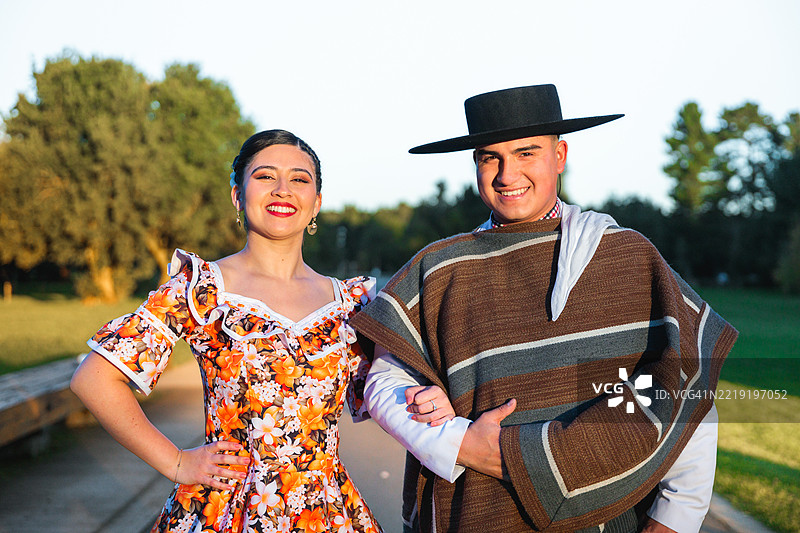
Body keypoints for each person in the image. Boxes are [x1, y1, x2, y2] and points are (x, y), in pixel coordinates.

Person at [350, 85, 736, 533]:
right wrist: (458, 443)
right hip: (477, 516)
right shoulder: (441, 269)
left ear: (560, 155)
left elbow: (685, 389)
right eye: (489, 157)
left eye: (526, 153)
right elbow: (384, 382)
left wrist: (674, 517)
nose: (506, 174)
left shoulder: (625, 257)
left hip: (613, 519)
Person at [70, 129, 452, 533]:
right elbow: (94, 379)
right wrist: (177, 462)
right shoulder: (201, 289)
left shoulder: (352, 304)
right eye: (265, 176)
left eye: (300, 179)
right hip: (225, 510)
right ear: (238, 194)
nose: (283, 190)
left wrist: (431, 400)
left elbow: (389, 393)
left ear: (317, 202)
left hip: (325, 512)